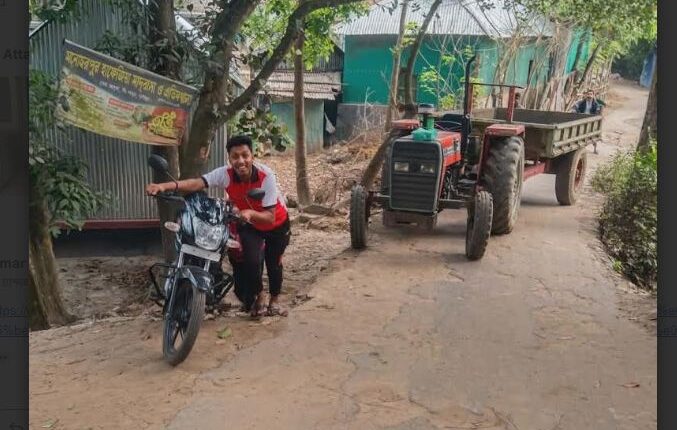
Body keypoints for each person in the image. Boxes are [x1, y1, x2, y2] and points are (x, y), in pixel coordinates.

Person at [145, 135, 291, 317]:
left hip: (276, 224)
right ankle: (260, 295)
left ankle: (275, 300)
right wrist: (164, 186)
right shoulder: (225, 174)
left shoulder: (266, 176)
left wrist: (250, 213)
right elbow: (197, 183)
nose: (241, 161)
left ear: (252, 156)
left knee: (274, 263)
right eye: (235, 157)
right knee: (251, 261)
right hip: (249, 224)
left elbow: (269, 217)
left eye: (245, 155)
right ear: (229, 159)